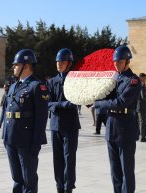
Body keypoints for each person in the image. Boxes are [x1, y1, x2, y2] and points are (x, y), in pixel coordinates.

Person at [94, 46, 140, 193]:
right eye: (115, 61)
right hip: (111, 126)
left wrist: (98, 104)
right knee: (115, 171)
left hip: (126, 128)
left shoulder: (134, 81)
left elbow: (121, 102)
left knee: (126, 171)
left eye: (119, 61)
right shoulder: (114, 78)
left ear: (127, 61)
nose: (116, 64)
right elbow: (105, 95)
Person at [2, 49, 49, 193]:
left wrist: (36, 142)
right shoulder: (14, 86)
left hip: (26, 140)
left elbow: (42, 117)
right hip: (11, 137)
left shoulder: (37, 86)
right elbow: (7, 111)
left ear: (26, 66)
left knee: (29, 179)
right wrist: (4, 136)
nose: (14, 67)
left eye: (16, 64)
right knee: (17, 178)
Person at [47, 48, 81, 193]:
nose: (59, 64)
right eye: (57, 61)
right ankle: (59, 186)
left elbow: (75, 101)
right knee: (57, 159)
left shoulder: (75, 80)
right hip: (56, 125)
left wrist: (57, 105)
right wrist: (62, 105)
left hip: (70, 125)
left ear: (69, 63)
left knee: (69, 158)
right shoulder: (52, 81)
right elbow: (47, 103)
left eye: (62, 61)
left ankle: (68, 187)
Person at [136, 73, 146, 142]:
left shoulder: (136, 84)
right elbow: (143, 96)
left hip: (137, 105)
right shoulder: (141, 84)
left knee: (138, 121)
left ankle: (138, 135)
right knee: (143, 121)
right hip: (142, 105)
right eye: (145, 78)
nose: (145, 79)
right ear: (141, 78)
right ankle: (142, 137)